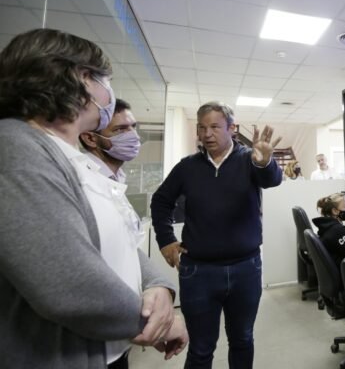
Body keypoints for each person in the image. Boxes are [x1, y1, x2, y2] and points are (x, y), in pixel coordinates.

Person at [0, 28, 188, 369]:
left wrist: (158, 286)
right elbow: (65, 283)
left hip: (110, 351)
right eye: (104, 80)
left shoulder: (72, 158)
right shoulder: (16, 148)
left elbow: (119, 242)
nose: (108, 92)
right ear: (78, 78)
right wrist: (154, 321)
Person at [151, 101, 283, 369]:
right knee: (200, 348)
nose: (207, 134)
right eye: (202, 128)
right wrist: (166, 240)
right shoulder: (187, 167)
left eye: (214, 127)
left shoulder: (249, 159)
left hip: (246, 269)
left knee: (242, 339)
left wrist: (264, 162)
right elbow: (161, 201)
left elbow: (272, 180)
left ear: (232, 128)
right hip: (199, 272)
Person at [78, 98, 140, 183]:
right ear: (90, 139)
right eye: (119, 129)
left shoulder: (118, 175)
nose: (135, 136)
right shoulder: (80, 177)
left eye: (133, 127)